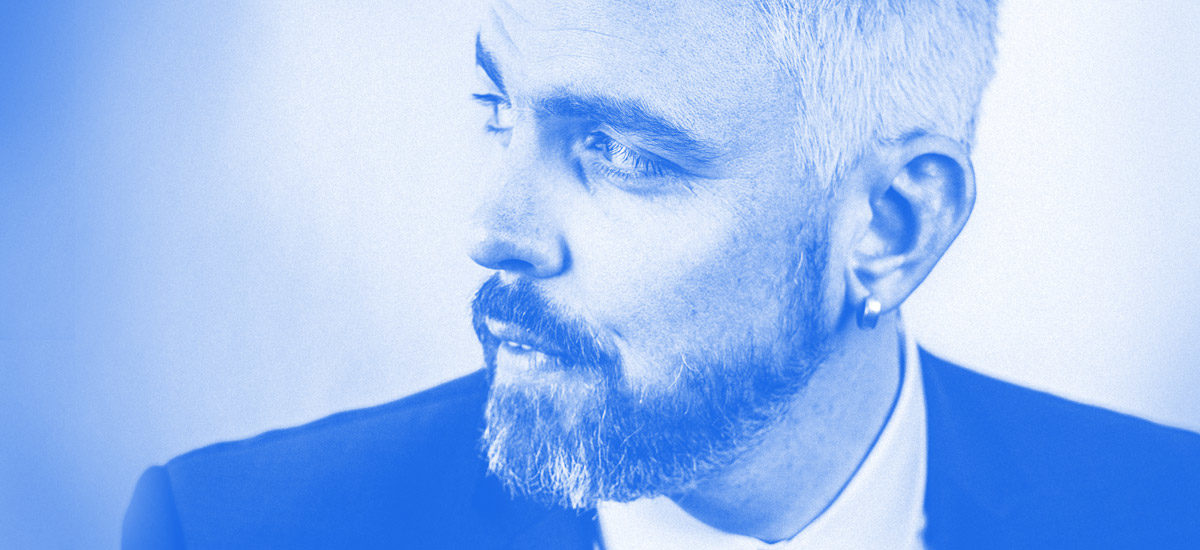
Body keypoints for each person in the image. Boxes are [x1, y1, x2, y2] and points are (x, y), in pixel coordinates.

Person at [123, 0, 1200, 548]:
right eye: (499, 109)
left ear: (890, 225)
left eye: (622, 152)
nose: (492, 230)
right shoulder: (239, 534)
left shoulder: (1166, 516)